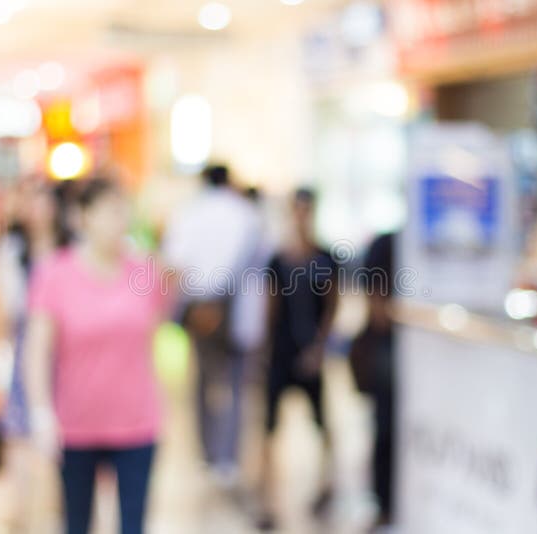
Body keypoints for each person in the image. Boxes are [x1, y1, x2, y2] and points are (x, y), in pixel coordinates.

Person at [25, 177, 167, 534]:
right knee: (77, 521)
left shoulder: (144, 271)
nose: (116, 221)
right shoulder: (55, 273)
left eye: (121, 211)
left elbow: (156, 329)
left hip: (136, 420)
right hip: (77, 422)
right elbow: (37, 349)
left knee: (133, 523)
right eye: (106, 211)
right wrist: (41, 411)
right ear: (82, 217)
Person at [162, 164, 261, 484]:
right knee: (233, 384)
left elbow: (175, 261)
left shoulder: (189, 213)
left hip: (201, 303)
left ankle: (206, 453)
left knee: (203, 380)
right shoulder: (245, 214)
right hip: (232, 307)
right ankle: (227, 457)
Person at [0, 178, 74, 525]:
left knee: (66, 431)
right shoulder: (11, 251)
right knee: (19, 430)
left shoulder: (70, 250)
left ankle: (65, 504)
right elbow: (2, 310)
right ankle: (19, 510)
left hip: (68, 350)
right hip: (24, 346)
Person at [258, 188, 338, 530]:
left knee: (321, 422)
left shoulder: (324, 258)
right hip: (283, 351)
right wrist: (265, 352)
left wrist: (319, 347)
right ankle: (267, 498)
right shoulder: (278, 260)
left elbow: (333, 305)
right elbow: (270, 307)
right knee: (269, 428)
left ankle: (326, 484)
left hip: (311, 352)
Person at [363, 232, 398, 531]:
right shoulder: (386, 245)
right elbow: (376, 309)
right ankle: (384, 504)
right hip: (388, 351)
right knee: (384, 426)